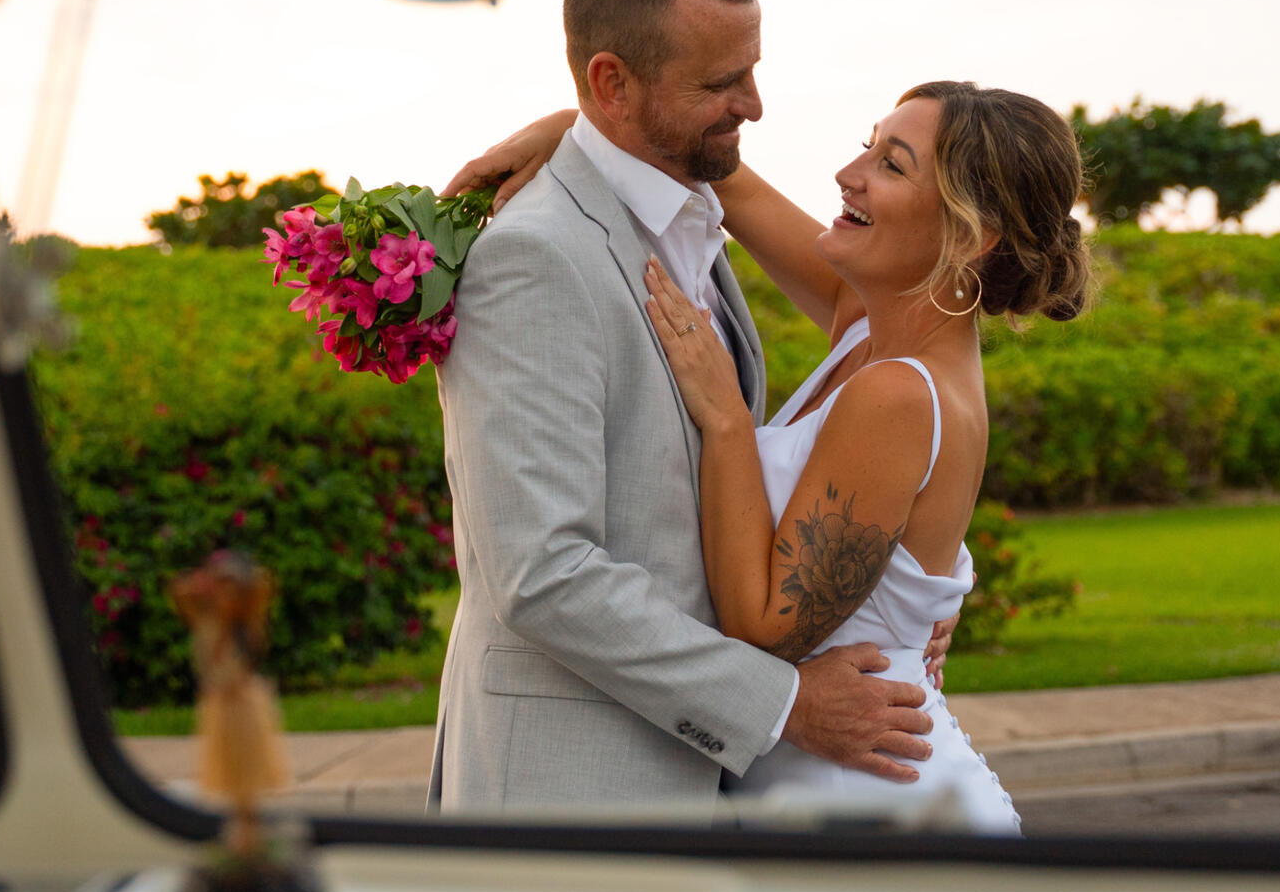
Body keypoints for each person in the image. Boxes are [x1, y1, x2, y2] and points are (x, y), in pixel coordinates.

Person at [459, 78, 1092, 832]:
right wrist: (580, 131)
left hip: (875, 809)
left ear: (970, 233)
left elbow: (764, 625)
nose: (848, 176)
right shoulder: (871, 326)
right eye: (867, 146)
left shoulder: (900, 394)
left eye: (892, 166)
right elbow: (737, 189)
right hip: (822, 791)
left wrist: (725, 417)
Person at [426, 0, 948, 817]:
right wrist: (782, 704)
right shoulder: (536, 258)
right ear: (611, 84)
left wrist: (916, 587)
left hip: (696, 793)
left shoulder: (688, 221)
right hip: (570, 794)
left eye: (751, 69)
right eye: (719, 83)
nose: (754, 104)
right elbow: (542, 571)